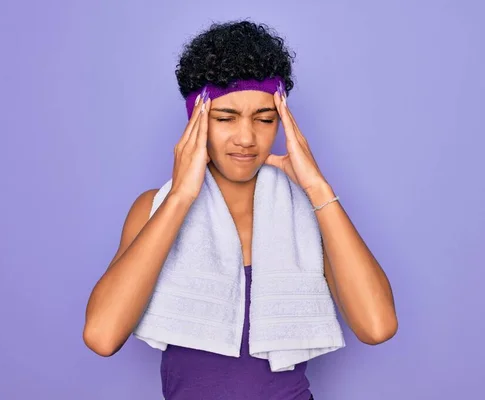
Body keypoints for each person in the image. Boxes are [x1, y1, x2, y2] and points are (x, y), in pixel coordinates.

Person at [83, 20, 398, 399]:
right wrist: (182, 195)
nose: (247, 138)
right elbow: (102, 336)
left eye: (265, 119)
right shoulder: (154, 208)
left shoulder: (309, 210)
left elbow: (377, 326)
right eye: (225, 118)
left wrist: (316, 187)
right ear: (195, 120)